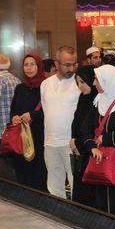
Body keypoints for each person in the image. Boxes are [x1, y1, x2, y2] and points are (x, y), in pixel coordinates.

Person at [79, 65, 115, 216]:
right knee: (101, 200)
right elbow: (85, 128)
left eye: (97, 79)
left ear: (108, 80)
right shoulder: (98, 100)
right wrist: (91, 146)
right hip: (100, 160)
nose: (94, 83)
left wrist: (107, 139)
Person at [40, 46, 81, 198]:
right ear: (57, 64)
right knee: (54, 186)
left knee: (76, 183)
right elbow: (46, 112)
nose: (72, 68)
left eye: (74, 64)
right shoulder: (45, 84)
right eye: (67, 64)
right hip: (50, 142)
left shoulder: (79, 83)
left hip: (71, 143)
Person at [10, 54, 48, 192]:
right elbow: (13, 110)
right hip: (22, 137)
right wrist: (14, 117)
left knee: (39, 170)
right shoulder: (20, 88)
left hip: (39, 136)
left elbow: (50, 110)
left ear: (39, 66)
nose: (29, 68)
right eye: (26, 65)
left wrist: (33, 115)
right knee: (22, 169)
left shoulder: (46, 86)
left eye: (32, 64)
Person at [70, 64, 99, 206]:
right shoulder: (83, 98)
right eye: (77, 83)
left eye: (82, 82)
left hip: (91, 151)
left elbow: (93, 128)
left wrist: (79, 143)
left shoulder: (98, 99)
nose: (80, 86)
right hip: (80, 152)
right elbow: (77, 122)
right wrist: (73, 140)